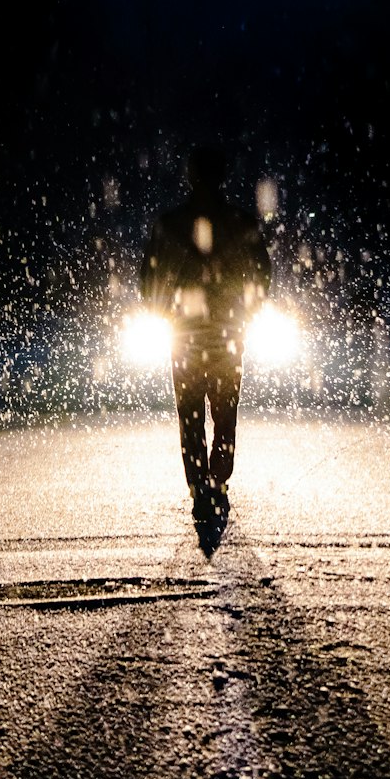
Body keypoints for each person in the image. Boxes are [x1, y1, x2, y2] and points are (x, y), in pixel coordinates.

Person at [140, 144, 272, 521]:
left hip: (185, 333)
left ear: (191, 176)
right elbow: (262, 273)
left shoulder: (170, 224)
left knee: (190, 411)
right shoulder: (241, 223)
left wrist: (159, 310)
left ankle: (199, 482)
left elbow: (149, 276)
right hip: (227, 331)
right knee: (225, 408)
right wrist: (247, 309)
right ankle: (219, 473)